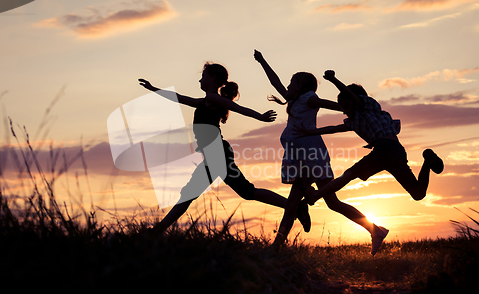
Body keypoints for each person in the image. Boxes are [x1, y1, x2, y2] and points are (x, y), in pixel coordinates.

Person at [138, 62, 311, 234]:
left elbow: (237, 108)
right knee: (243, 192)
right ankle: (295, 207)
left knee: (238, 192)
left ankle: (156, 232)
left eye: (203, 76)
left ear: (213, 78)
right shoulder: (206, 100)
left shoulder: (213, 99)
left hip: (218, 155)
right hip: (215, 155)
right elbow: (179, 98)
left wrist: (259, 116)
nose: (200, 79)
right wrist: (154, 89)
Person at [295, 70, 444, 253]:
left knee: (349, 175)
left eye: (346, 106)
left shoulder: (366, 105)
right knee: (418, 193)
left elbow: (351, 96)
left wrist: (334, 79)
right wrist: (309, 132)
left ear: (354, 100)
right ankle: (427, 162)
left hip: (384, 149)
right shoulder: (353, 119)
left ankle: (315, 196)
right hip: (397, 152)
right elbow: (334, 128)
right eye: (342, 108)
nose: (345, 111)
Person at [254, 51, 388, 254]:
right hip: (301, 156)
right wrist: (262, 61)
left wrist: (352, 106)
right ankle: (375, 230)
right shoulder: (294, 101)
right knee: (329, 203)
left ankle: (274, 249)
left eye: (291, 83)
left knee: (296, 205)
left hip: (311, 156)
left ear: (300, 86)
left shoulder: (308, 99)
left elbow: (331, 105)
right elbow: (275, 82)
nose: (287, 86)